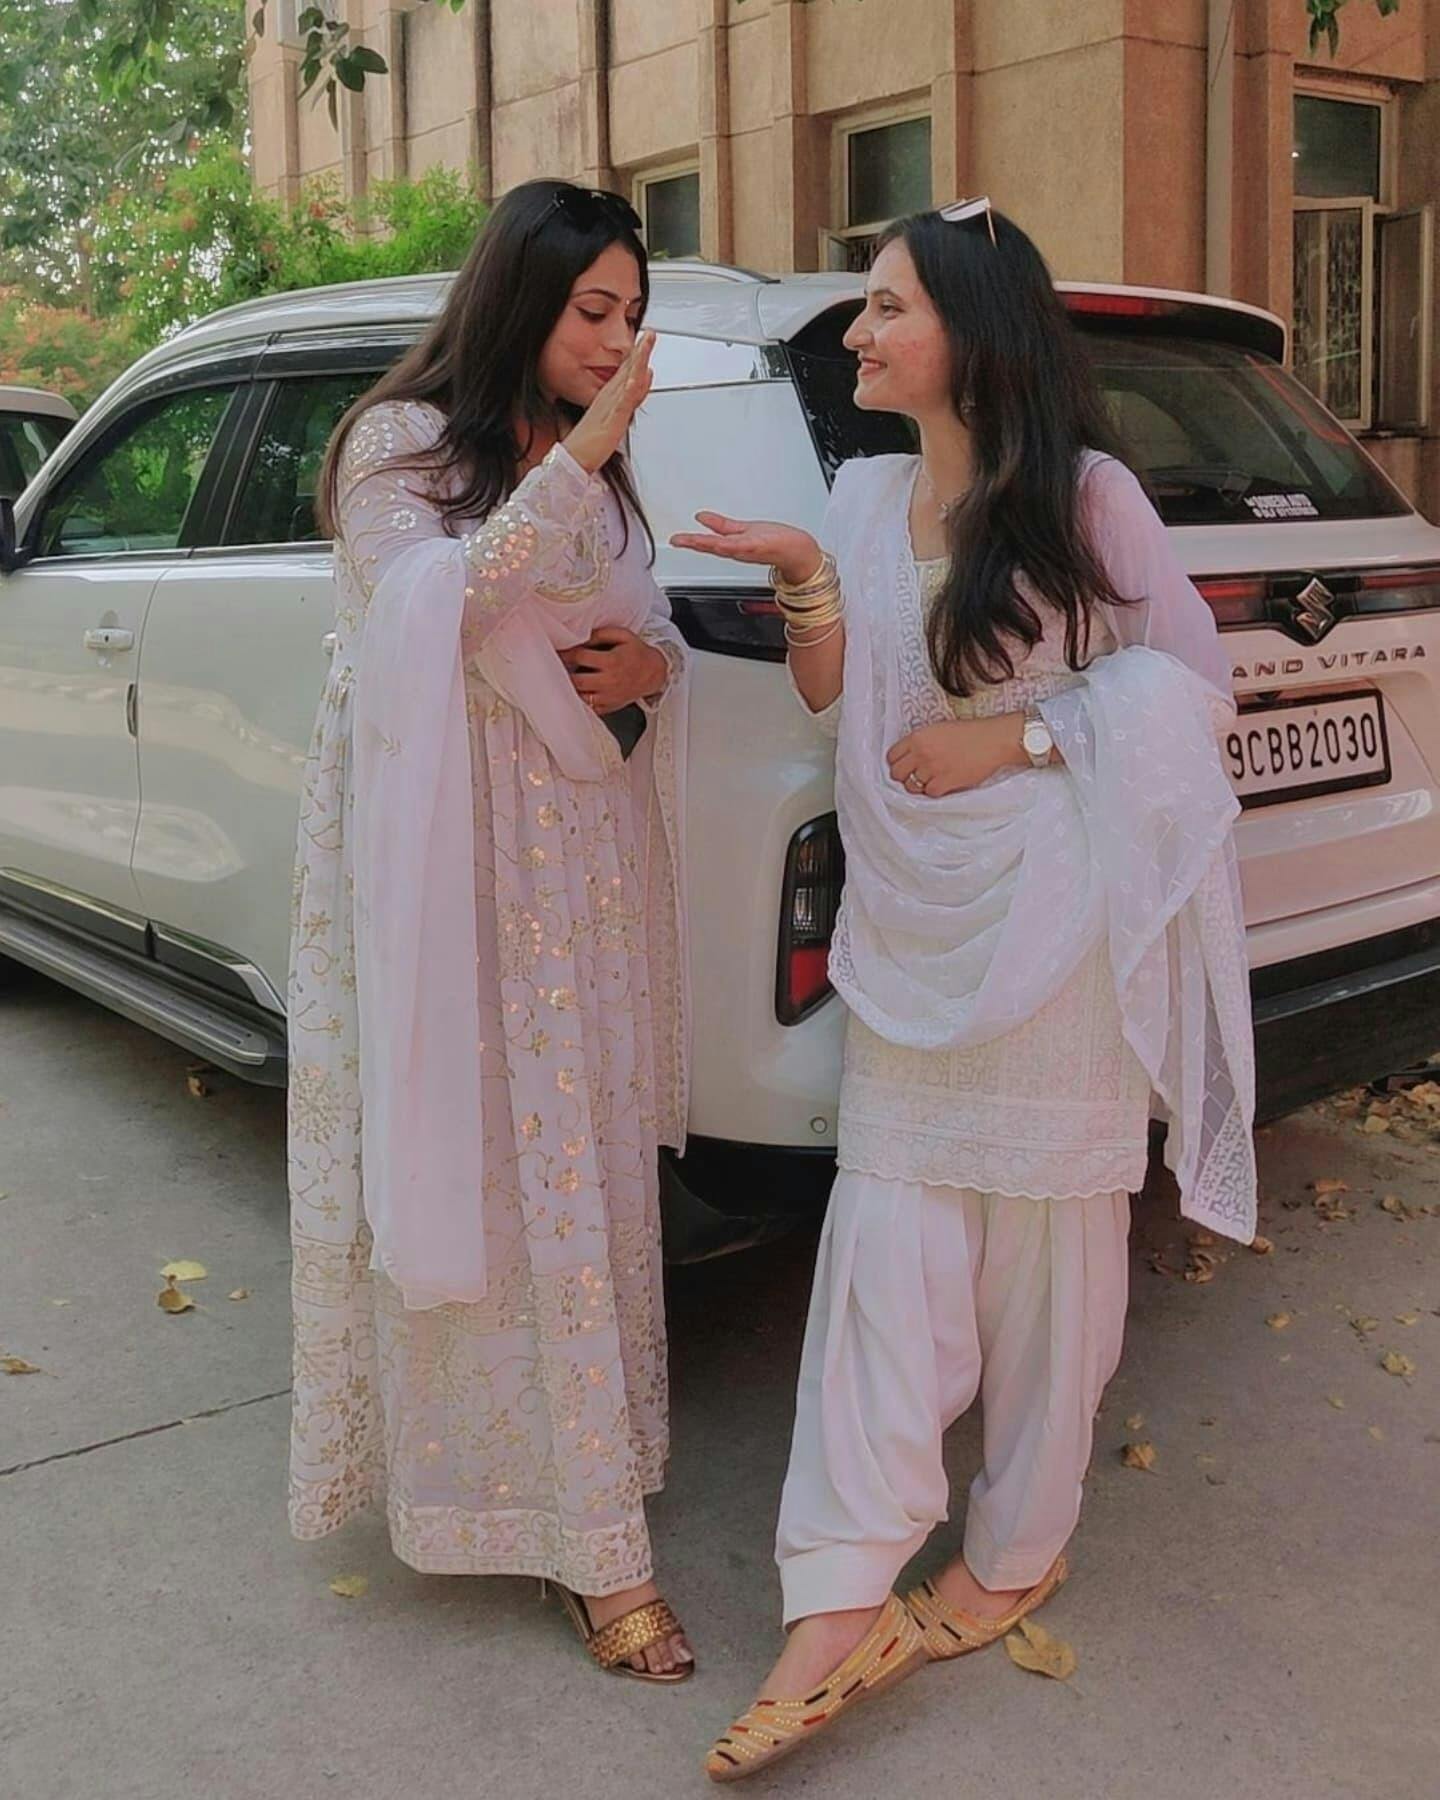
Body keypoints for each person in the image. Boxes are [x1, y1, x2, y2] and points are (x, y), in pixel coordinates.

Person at [672, 198, 1256, 1776]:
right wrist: (808, 577)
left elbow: (1194, 691)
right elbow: (846, 706)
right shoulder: (864, 495)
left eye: (887, 307)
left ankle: (1017, 1547)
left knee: (1046, 1254)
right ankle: (839, 1595)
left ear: (973, 334)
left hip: (1055, 916)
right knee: (886, 1247)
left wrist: (1022, 736)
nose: (860, 333)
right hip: (915, 925)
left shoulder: (1086, 496)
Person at [287, 179, 695, 1682]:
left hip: (581, 875)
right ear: (519, 297)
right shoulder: (397, 448)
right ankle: (579, 1540)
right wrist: (582, 457)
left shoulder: (599, 465)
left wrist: (649, 664)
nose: (618, 340)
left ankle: (591, 1485)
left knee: (579, 1175)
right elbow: (437, 611)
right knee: (490, 1177)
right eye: (593, 309)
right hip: (453, 881)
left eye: (632, 315)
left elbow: (643, 625)